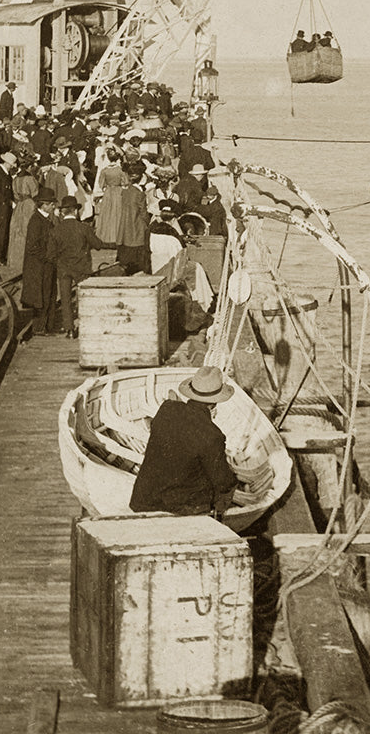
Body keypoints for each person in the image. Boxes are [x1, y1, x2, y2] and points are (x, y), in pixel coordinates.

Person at [129, 366, 239, 516]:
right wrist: (232, 477)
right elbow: (223, 482)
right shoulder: (213, 435)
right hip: (180, 509)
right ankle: (214, 518)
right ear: (214, 403)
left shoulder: (166, 408)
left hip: (142, 501)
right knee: (227, 481)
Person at [47, 195, 108, 336]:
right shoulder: (84, 228)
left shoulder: (56, 230)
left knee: (65, 299)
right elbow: (98, 245)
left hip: (63, 268)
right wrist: (113, 245)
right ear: (75, 211)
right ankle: (85, 325)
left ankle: (69, 329)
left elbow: (50, 254)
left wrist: (60, 262)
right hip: (82, 268)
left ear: (63, 212)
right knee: (84, 297)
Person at [20, 188, 58, 335]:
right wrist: (48, 257)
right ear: (44, 205)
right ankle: (40, 328)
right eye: (51, 204)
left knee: (48, 295)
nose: (54, 206)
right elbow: (32, 247)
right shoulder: (36, 221)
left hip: (45, 265)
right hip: (39, 267)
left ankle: (47, 327)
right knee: (42, 297)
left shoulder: (45, 219)